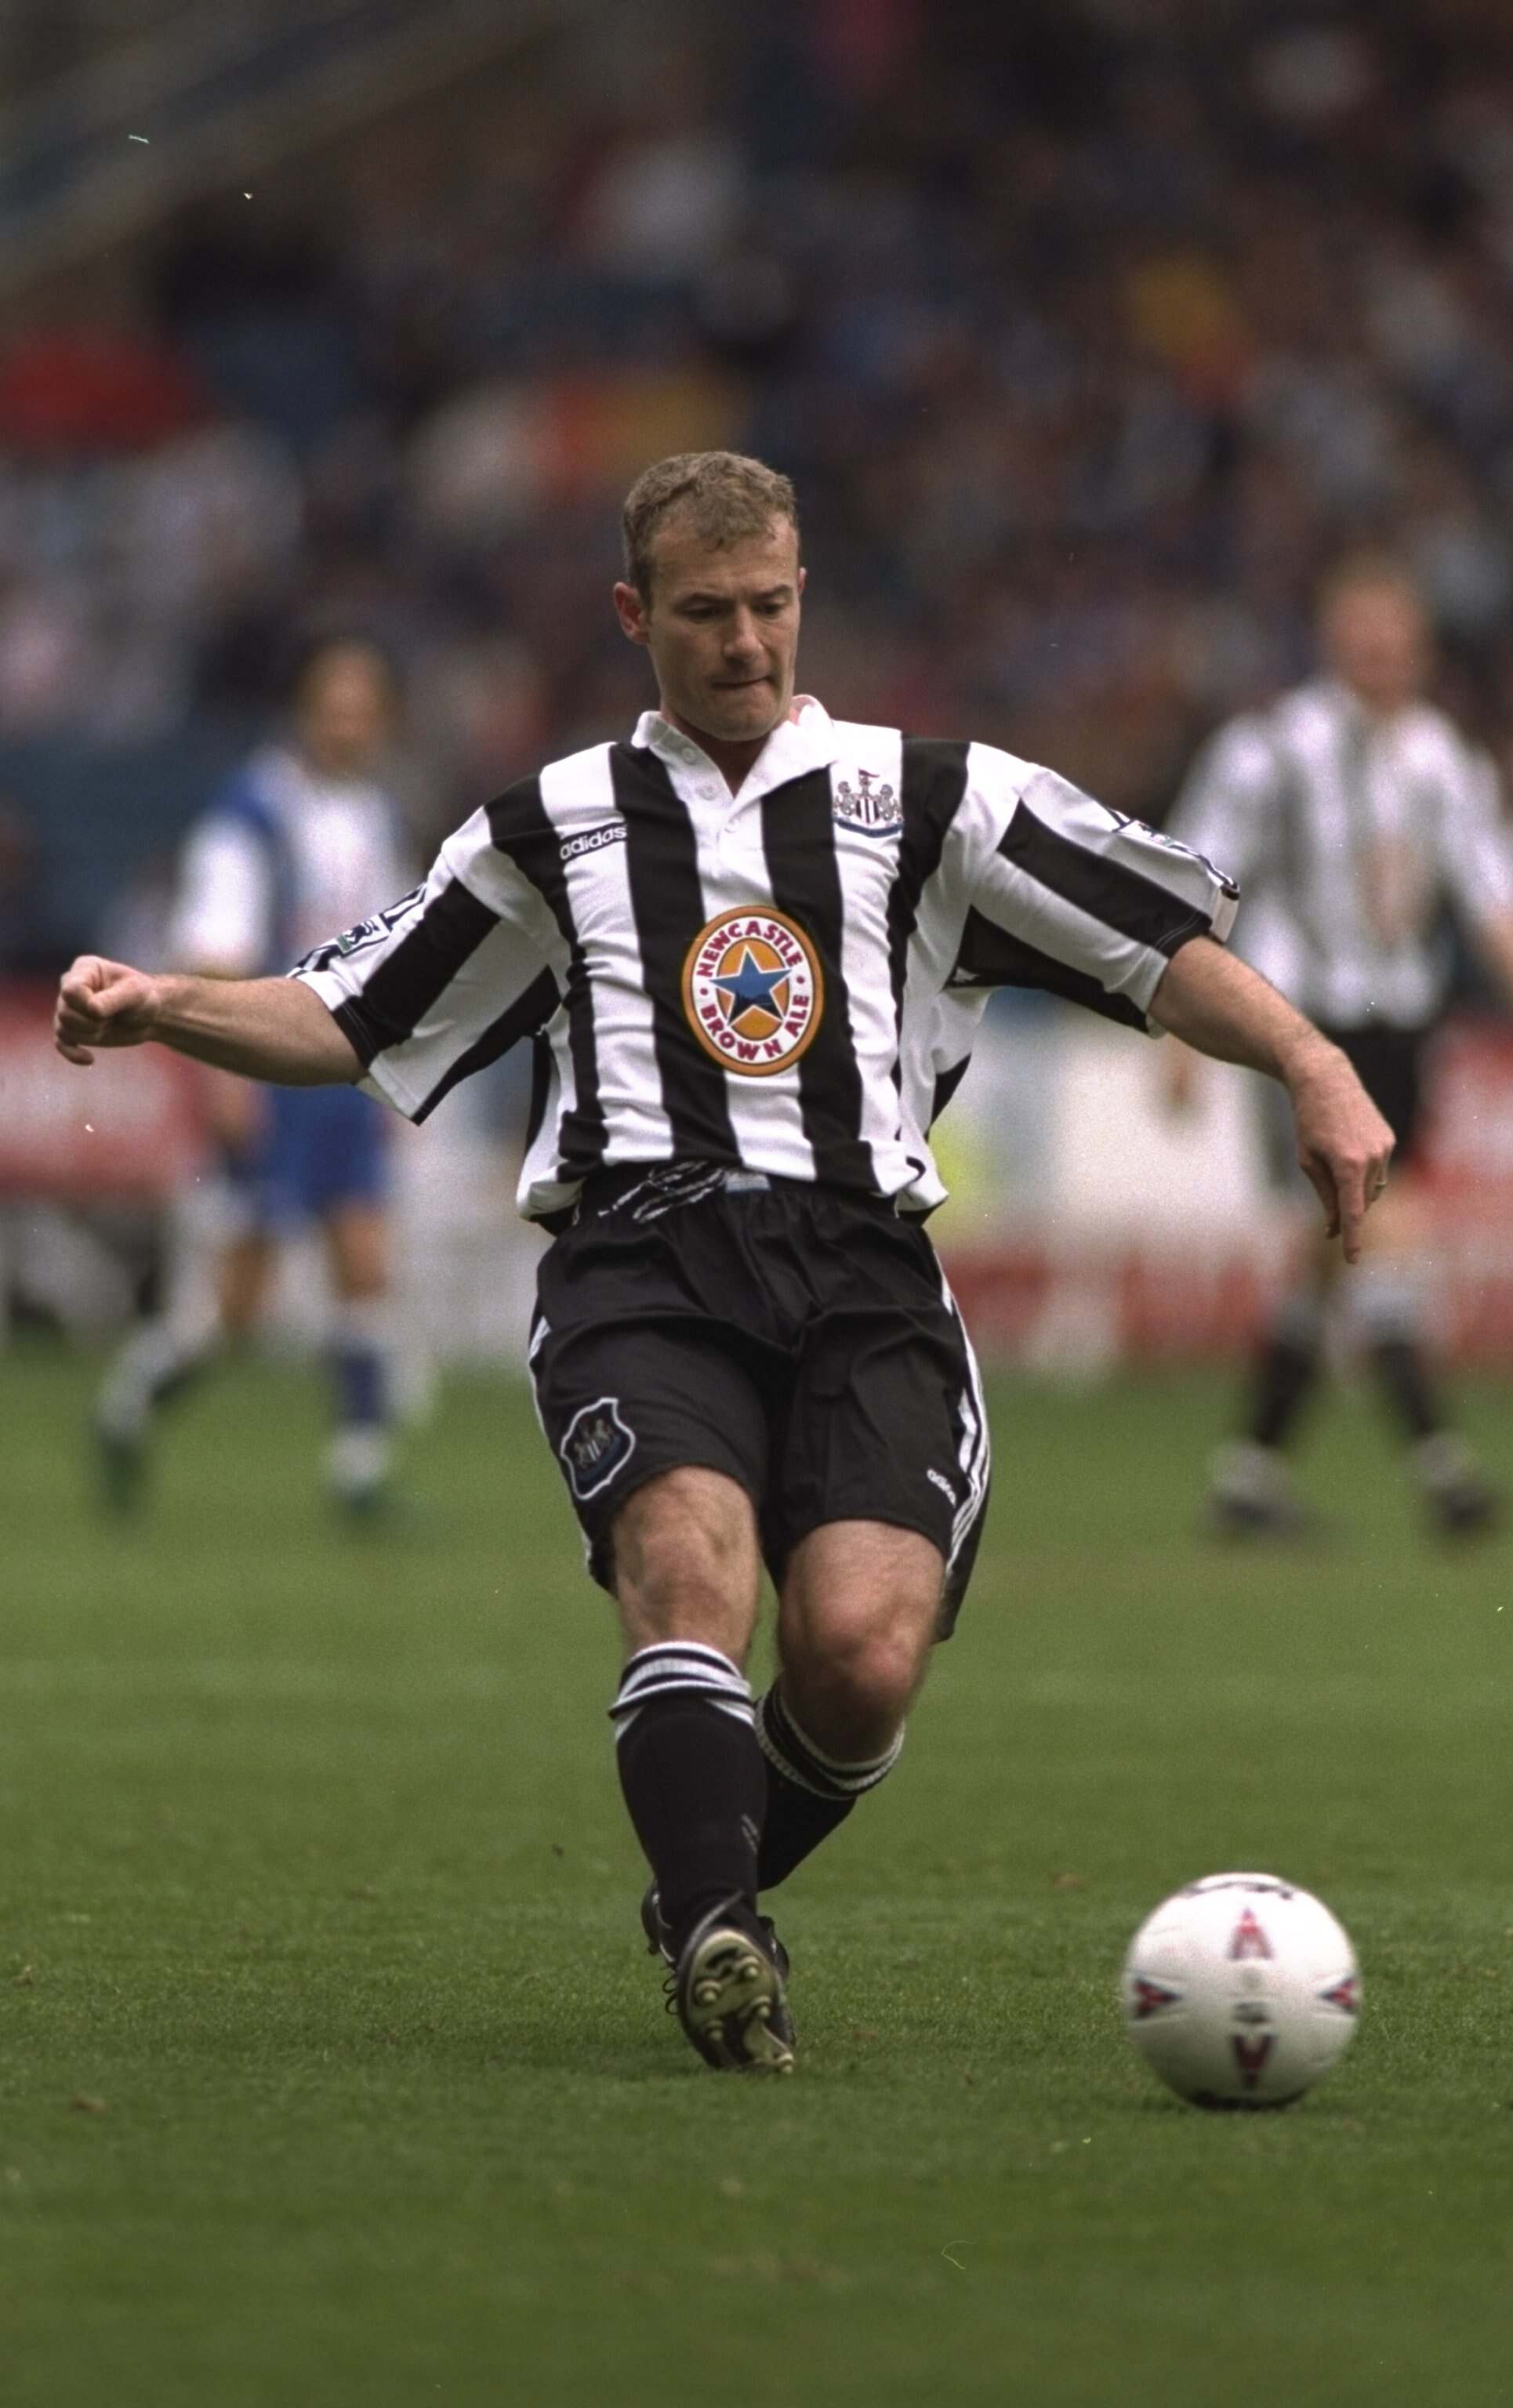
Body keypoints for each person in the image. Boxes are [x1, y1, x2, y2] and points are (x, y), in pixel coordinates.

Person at [55, 452, 1391, 2073]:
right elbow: (352, 1013)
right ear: (635, 615)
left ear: (803, 595)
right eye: (705, 612)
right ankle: (714, 1931)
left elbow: (1156, 947)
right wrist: (165, 1005)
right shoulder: (548, 828)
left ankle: (704, 1872)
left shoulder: (935, 798)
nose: (745, 641)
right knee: (689, 1571)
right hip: (643, 1263)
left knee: (861, 1655)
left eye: (768, 605)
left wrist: (1314, 1063)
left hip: (863, 1271)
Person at [1166, 556, 1513, 1540]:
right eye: (1366, 641)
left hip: (1401, 1026)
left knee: (1333, 1251)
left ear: (1423, 649)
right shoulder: (1269, 750)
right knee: (1383, 1229)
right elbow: (1191, 878)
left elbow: (1497, 894)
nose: (1384, 660)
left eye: (1399, 643)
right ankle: (1443, 1464)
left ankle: (1249, 1475)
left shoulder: (1444, 760)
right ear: (1332, 642)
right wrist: (1174, 1032)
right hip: (1302, 1026)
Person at [92, 636, 414, 1518]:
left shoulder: (376, 814)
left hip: (346, 1072)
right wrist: (228, 1083)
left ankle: (360, 1470)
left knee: (364, 1262)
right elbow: (215, 954)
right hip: (273, 1068)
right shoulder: (251, 814)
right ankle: (128, 1405)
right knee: (241, 1301)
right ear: (302, 711)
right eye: (335, 707)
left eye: (365, 710)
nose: (350, 726)